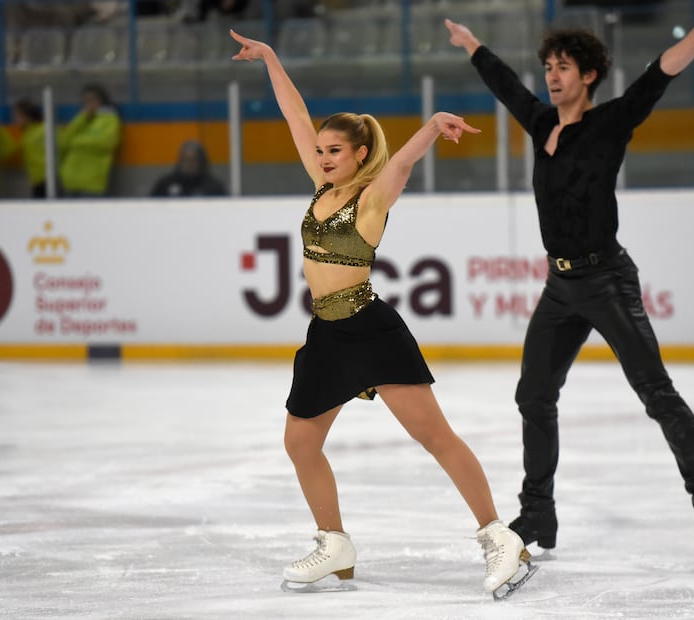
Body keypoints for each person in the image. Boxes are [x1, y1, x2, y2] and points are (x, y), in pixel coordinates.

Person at [445, 5, 694, 571]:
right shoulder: (542, 123)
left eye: (563, 66)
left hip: (606, 280)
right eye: (548, 65)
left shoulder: (610, 122)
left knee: (657, 395)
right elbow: (505, 85)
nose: (551, 74)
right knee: (533, 395)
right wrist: (471, 44)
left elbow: (658, 75)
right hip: (561, 284)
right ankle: (538, 512)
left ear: (588, 75)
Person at [229, 28, 535, 598]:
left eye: (334, 151)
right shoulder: (320, 186)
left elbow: (398, 171)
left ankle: (500, 537)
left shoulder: (368, 201)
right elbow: (296, 116)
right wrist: (271, 57)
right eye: (320, 151)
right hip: (327, 332)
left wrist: (430, 129)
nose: (321, 158)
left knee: (435, 437)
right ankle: (335, 544)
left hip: (372, 331)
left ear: (360, 155)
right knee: (300, 441)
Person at [57, 83, 121, 197]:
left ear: (101, 101)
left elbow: (105, 143)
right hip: (70, 180)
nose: (89, 104)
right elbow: (63, 141)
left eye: (92, 100)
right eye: (85, 101)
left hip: (92, 182)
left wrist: (76, 141)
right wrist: (81, 118)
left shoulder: (109, 119)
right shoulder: (81, 119)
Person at [149, 140, 227, 198]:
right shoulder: (165, 184)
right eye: (185, 160)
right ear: (180, 161)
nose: (189, 164)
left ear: (202, 162)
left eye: (194, 160)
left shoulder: (213, 187)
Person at [13, 98, 46, 198]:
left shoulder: (43, 130)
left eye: (17, 116)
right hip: (36, 180)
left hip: (46, 179)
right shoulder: (27, 133)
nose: (15, 119)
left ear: (26, 116)